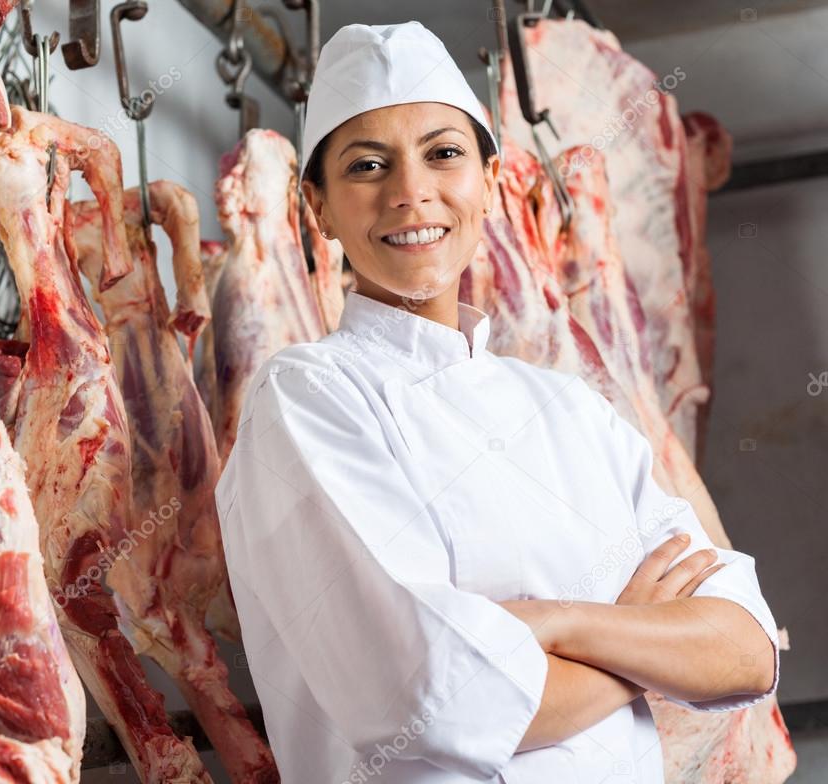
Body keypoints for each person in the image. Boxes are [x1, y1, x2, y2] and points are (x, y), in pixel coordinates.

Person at [214, 20, 780, 784]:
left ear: (487, 178)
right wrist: (642, 646)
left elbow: (744, 653)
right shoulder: (309, 397)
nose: (410, 191)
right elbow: (431, 708)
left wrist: (559, 625)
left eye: (443, 153)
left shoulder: (571, 410)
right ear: (316, 206)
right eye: (367, 165)